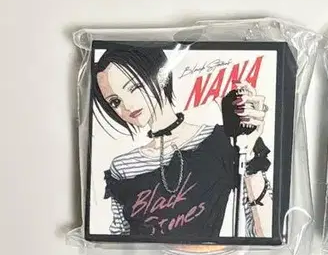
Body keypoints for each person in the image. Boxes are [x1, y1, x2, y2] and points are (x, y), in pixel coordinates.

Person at [92, 45, 272, 240]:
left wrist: (249, 151)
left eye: (134, 87)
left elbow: (264, 235)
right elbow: (119, 242)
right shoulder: (123, 166)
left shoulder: (223, 141)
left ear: (161, 76)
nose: (127, 105)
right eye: (115, 102)